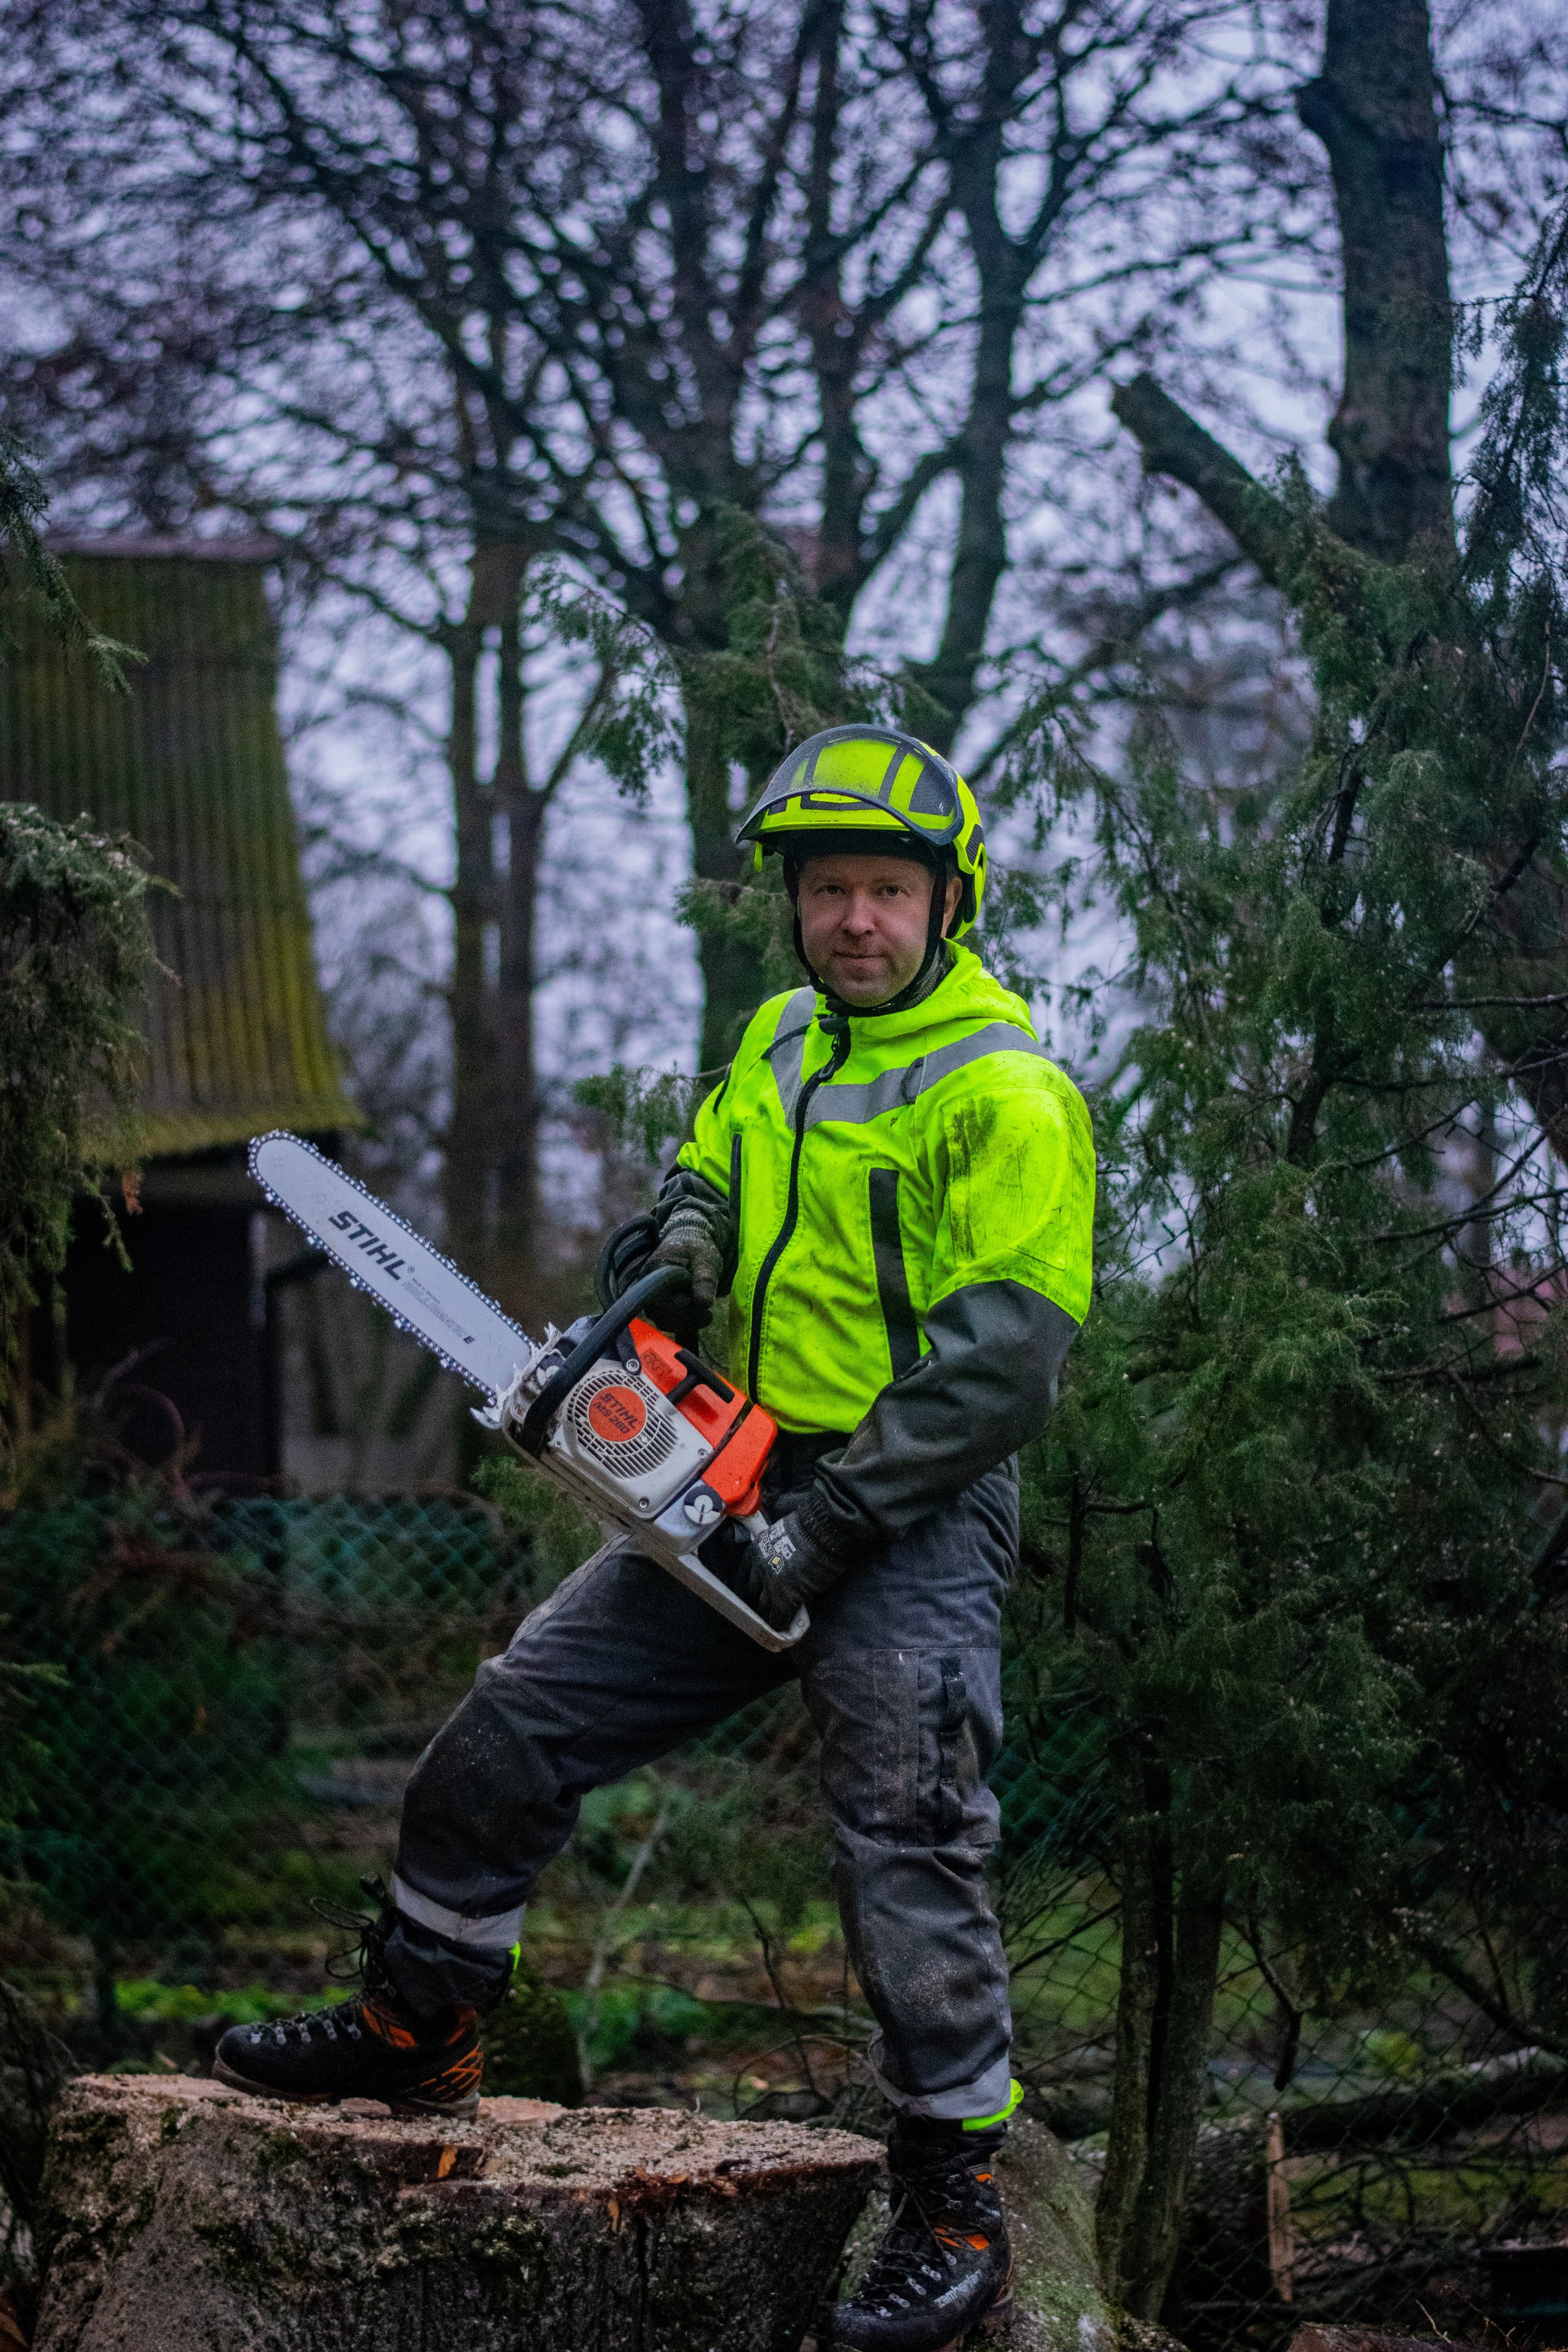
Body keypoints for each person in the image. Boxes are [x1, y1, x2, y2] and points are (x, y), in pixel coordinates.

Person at [216, 724, 1095, 2352]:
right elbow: (708, 1178)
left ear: (947, 904)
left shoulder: (1009, 1093)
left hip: (906, 1500)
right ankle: (421, 2024)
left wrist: (825, 1529)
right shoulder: (777, 1040)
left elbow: (1005, 1365)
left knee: (908, 1825)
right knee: (513, 1723)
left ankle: (956, 2188)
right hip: (737, 1472)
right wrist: (679, 1231)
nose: (854, 920)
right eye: (829, 890)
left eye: (886, 892)